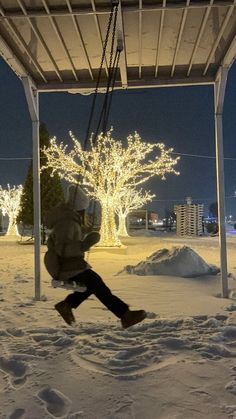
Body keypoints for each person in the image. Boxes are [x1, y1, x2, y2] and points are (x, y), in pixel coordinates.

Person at [44, 184, 146, 328]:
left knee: (93, 285)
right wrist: (84, 245)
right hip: (66, 266)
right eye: (83, 209)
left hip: (71, 264)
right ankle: (125, 315)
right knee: (95, 283)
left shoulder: (68, 220)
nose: (84, 213)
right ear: (79, 207)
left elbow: (67, 243)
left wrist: (84, 240)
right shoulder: (67, 222)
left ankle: (68, 305)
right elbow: (62, 249)